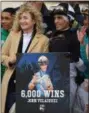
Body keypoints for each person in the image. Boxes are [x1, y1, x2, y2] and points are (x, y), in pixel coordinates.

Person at [1, 4, 49, 113]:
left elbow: (45, 64)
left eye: (26, 18)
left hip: (30, 85)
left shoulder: (43, 40)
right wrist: (9, 60)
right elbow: (2, 55)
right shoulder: (13, 34)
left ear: (34, 21)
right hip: (11, 84)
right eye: (20, 18)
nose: (22, 21)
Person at [49, 3, 88, 113]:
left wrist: (75, 59)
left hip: (69, 82)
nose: (56, 21)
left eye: (60, 18)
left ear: (69, 19)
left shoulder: (78, 36)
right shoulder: (50, 36)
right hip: (50, 80)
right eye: (55, 18)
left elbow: (84, 69)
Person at [1, 8, 16, 79]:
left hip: (11, 75)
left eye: (7, 18)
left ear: (15, 19)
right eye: (2, 18)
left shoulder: (19, 35)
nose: (3, 21)